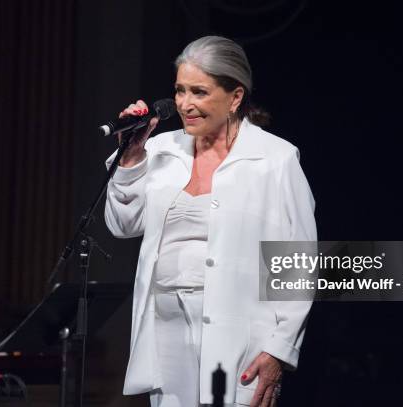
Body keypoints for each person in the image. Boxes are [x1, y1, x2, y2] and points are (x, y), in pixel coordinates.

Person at [104, 36, 317, 407]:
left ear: (235, 97)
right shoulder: (159, 149)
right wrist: (131, 159)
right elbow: (122, 225)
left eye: (199, 92)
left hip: (240, 337)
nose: (185, 104)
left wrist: (279, 349)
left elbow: (298, 264)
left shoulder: (275, 159)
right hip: (165, 333)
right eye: (180, 91)